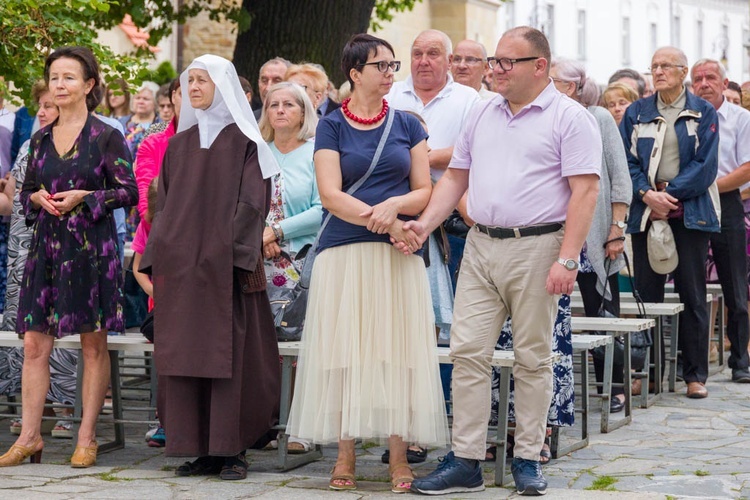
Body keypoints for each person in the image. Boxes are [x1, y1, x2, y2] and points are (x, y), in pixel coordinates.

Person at [397, 27, 601, 496]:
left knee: (533, 358)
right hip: (481, 245)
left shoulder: (570, 118)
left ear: (540, 67)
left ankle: (527, 457)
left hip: (539, 246)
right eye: (495, 61)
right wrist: (425, 225)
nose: (496, 70)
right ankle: (466, 458)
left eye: (507, 62)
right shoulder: (482, 111)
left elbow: (584, 191)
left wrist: (567, 260)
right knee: (467, 352)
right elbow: (456, 178)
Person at [286, 33, 448, 494]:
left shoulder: (408, 126)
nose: (390, 72)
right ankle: (344, 453)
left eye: (392, 65)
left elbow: (424, 190)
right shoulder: (331, 126)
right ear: (355, 73)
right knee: (344, 355)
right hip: (345, 252)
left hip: (395, 256)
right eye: (381, 65)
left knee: (395, 354)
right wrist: (387, 223)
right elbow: (331, 196)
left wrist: (395, 209)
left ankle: (399, 455)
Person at [139, 54, 281, 481]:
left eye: (202, 80)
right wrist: (159, 257)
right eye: (189, 81)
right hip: (182, 275)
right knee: (185, 359)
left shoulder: (246, 143)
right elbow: (160, 206)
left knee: (230, 361)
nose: (193, 88)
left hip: (226, 275)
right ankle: (197, 447)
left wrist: (229, 256)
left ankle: (231, 449)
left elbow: (252, 204)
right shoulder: (177, 146)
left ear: (223, 87)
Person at [0, 46, 137, 468]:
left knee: (92, 346)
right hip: (45, 251)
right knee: (34, 345)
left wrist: (88, 196)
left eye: (69, 78)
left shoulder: (106, 135)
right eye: (54, 77)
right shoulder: (38, 138)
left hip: (91, 252)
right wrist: (36, 197)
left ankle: (86, 436)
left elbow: (129, 192)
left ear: (89, 85)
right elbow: (24, 193)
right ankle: (29, 437)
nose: (59, 85)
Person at [620, 47, 719, 399]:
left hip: (690, 212)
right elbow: (625, 162)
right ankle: (647, 373)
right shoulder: (637, 112)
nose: (659, 71)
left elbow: (705, 166)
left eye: (666, 66)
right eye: (654, 66)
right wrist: (648, 195)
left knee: (692, 293)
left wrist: (669, 195)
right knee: (648, 295)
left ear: (683, 71)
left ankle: (694, 375)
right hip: (648, 211)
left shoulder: (702, 111)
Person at [552, 58, 632, 413]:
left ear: (571, 87)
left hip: (596, 236)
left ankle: (614, 386)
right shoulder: (549, 119)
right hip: (559, 235)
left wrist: (616, 229)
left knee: (603, 309)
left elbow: (620, 178)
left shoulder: (598, 118)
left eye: (553, 80)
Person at [0, 81, 76, 440]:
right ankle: (33, 410)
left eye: (49, 106)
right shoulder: (30, 147)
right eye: (40, 106)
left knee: (64, 330)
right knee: (27, 335)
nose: (42, 112)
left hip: (61, 250)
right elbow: (15, 197)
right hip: (24, 247)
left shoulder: (77, 145)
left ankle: (65, 407)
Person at [691, 59, 750, 383]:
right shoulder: (687, 117)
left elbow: (747, 167)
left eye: (710, 77)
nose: (704, 83)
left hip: (726, 200)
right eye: (697, 78)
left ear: (724, 82)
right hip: (691, 203)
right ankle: (696, 365)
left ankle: (740, 359)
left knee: (736, 286)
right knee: (693, 286)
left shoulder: (741, 119)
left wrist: (706, 186)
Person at [130, 77, 182, 448]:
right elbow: (148, 205)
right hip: (164, 257)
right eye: (182, 89)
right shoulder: (155, 141)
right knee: (166, 345)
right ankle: (167, 418)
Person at [258, 82, 321, 285]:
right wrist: (261, 236)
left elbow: (323, 210)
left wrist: (275, 231)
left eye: (288, 104)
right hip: (259, 260)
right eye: (273, 105)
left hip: (305, 260)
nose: (280, 110)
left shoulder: (318, 154)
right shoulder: (256, 154)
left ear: (303, 114)